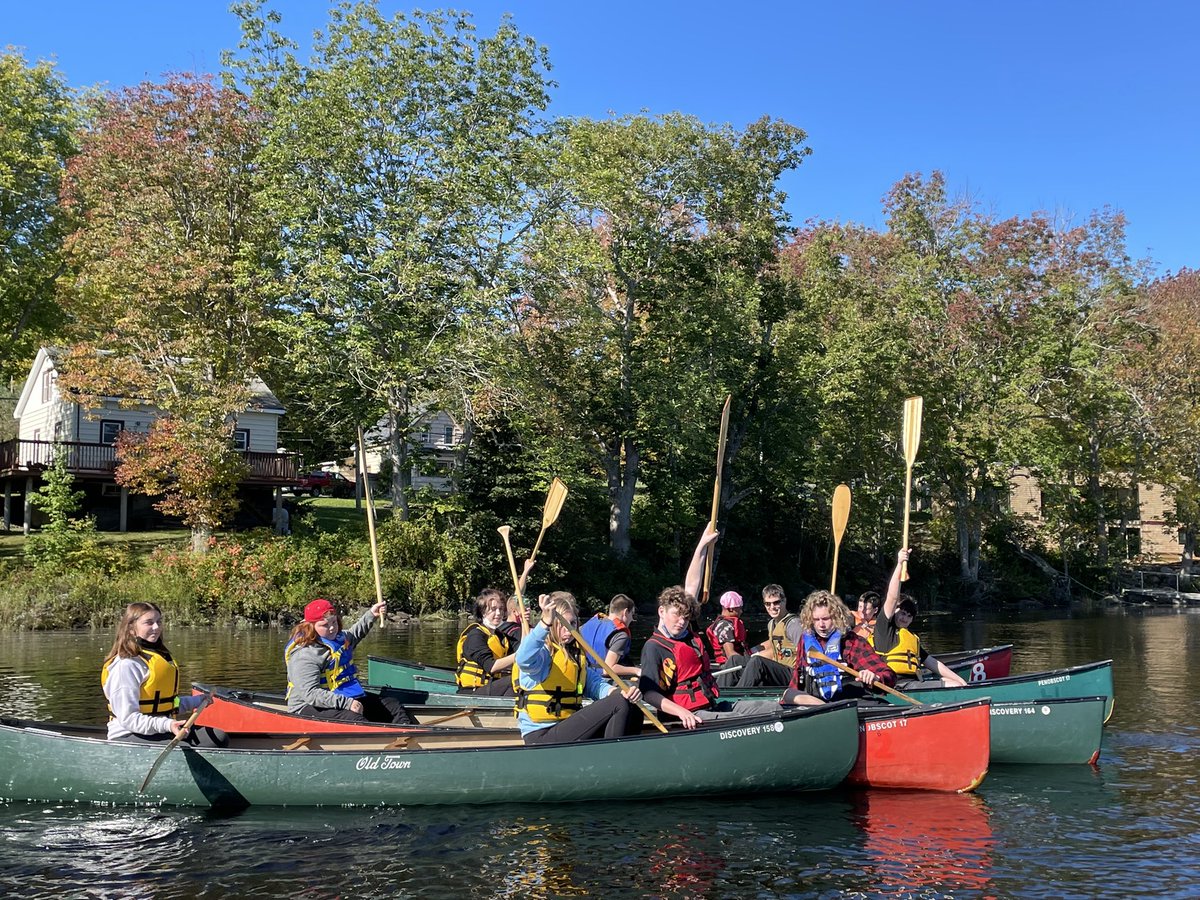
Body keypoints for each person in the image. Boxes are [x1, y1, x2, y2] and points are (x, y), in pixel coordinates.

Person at [638, 525, 784, 728]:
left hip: (710, 705)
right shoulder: (654, 648)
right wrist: (680, 711)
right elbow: (649, 692)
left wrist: (702, 546)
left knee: (773, 708)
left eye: (686, 617)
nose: (681, 621)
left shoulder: (685, 632)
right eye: (676, 615)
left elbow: (692, 585)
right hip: (687, 716)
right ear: (662, 612)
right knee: (754, 720)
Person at [513, 591, 644, 744]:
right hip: (541, 734)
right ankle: (612, 758)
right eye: (562, 624)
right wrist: (544, 624)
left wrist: (621, 691)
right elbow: (523, 659)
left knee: (630, 704)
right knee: (619, 703)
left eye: (572, 624)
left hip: (565, 725)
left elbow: (596, 685)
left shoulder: (574, 657)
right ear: (552, 624)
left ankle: (627, 754)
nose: (568, 630)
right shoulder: (543, 653)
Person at [101, 602, 226, 746]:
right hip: (128, 734)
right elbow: (128, 719)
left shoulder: (158, 657)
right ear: (131, 628)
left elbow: (170, 704)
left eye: (159, 622)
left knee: (219, 737)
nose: (156, 627)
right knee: (188, 748)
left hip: (160, 729)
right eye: (149, 623)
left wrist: (196, 701)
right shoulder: (126, 665)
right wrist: (167, 724)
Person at [284, 597, 413, 723]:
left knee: (392, 705)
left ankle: (408, 736)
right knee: (354, 719)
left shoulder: (337, 638)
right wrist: (347, 703)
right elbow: (311, 694)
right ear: (310, 626)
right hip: (307, 707)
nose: (332, 628)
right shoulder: (304, 655)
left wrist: (371, 614)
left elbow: (354, 634)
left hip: (340, 696)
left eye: (334, 622)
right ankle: (375, 741)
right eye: (324, 625)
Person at [870, 549, 967, 688]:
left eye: (909, 616)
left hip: (913, 683)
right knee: (953, 686)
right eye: (902, 613)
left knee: (956, 684)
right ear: (895, 612)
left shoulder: (911, 638)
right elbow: (892, 597)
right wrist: (899, 564)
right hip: (894, 685)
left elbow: (933, 663)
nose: (905, 618)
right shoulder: (884, 628)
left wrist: (962, 681)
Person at [781, 590, 897, 706]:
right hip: (816, 702)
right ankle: (825, 709)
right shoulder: (805, 640)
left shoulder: (851, 642)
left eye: (826, 619)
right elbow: (797, 676)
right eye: (816, 620)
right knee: (789, 693)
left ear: (836, 617)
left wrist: (875, 677)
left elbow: (888, 675)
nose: (821, 625)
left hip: (849, 703)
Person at [735, 584, 804, 688]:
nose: (772, 607)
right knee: (735, 660)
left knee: (757, 662)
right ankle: (719, 694)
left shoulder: (793, 624)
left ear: (784, 601)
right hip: (779, 669)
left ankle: (738, 695)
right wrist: (753, 651)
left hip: (793, 673)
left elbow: (805, 652)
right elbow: (773, 645)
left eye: (776, 602)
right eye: (768, 604)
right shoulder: (771, 624)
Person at [455, 588, 518, 696]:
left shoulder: (500, 637)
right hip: (473, 692)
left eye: (500, 609)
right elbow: (491, 667)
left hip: (491, 686)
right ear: (482, 612)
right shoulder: (475, 635)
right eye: (493, 609)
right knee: (514, 681)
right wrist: (520, 655)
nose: (498, 613)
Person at [579, 594, 641, 680]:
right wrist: (636, 670)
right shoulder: (621, 635)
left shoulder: (586, 625)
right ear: (626, 612)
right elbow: (608, 669)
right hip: (602, 681)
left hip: (584, 676)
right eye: (632, 614)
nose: (632, 619)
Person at [704, 590, 748, 686]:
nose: (741, 611)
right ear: (731, 609)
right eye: (739, 608)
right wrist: (749, 665)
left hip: (737, 661)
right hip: (729, 666)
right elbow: (730, 654)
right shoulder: (724, 626)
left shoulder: (727, 623)